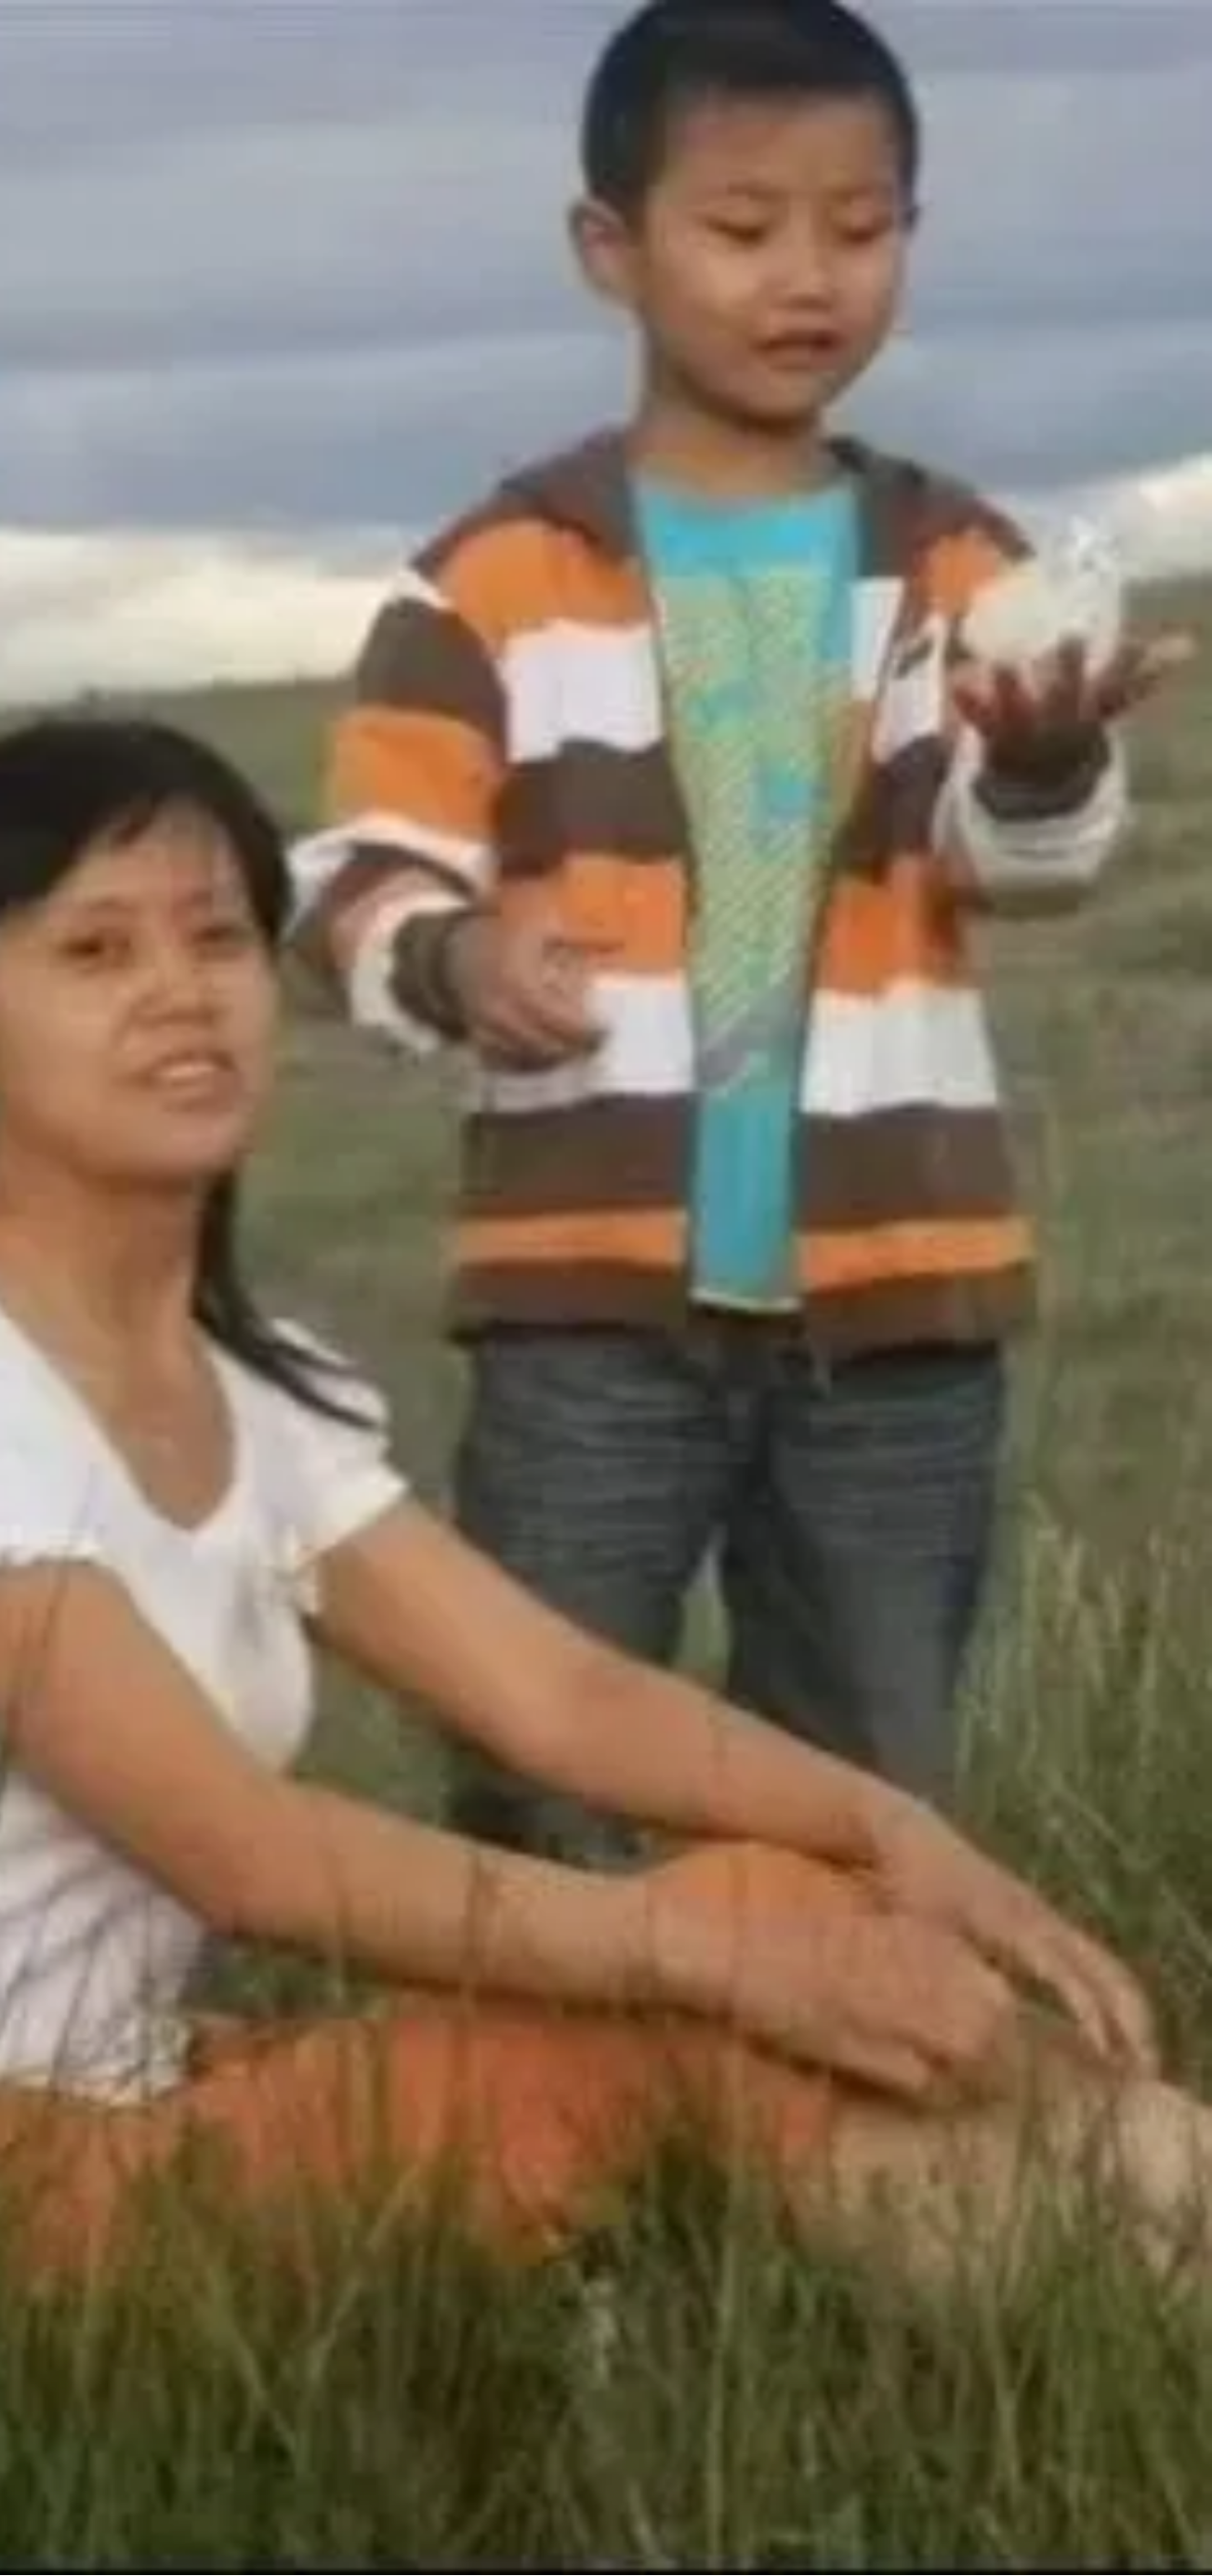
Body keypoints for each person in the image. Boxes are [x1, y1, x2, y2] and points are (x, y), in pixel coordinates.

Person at [0, 714, 1210, 2300]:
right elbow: (242, 1854)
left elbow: (561, 1695)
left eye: (219, 938)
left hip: (149, 2087)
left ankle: (1132, 2272)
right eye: (95, 950)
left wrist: (883, 1828)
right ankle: (1134, 2272)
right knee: (702, 1993)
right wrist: (719, 1955)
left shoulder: (253, 1385)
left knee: (781, 1896)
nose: (180, 991)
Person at [287, 0, 1193, 1861]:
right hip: (584, 1314)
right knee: (545, 1767)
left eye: (859, 228)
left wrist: (1042, 766)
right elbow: (355, 873)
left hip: (902, 1302)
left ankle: (847, 2052)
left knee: (869, 1785)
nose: (807, 277)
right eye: (742, 225)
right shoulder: (493, 579)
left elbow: (1018, 862)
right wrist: (454, 958)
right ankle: (558, 2052)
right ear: (607, 247)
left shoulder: (956, 563)